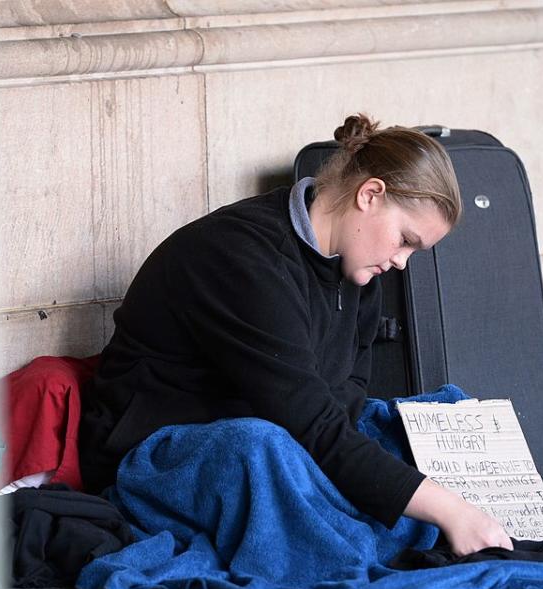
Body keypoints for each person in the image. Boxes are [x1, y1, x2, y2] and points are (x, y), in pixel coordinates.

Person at [79, 113, 513, 556]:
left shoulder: (360, 271)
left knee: (433, 413)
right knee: (262, 449)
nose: (402, 261)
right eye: (405, 239)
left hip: (285, 431)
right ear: (370, 194)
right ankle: (372, 534)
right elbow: (311, 423)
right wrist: (449, 510)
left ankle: (399, 526)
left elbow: (346, 401)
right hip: (159, 454)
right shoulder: (241, 256)